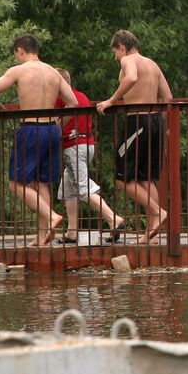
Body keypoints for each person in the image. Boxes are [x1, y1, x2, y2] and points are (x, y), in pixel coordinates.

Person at [0, 35, 77, 246]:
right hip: (51, 131)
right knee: (41, 182)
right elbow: (74, 103)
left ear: (20, 51)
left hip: (31, 129)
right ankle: (43, 235)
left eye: (16, 55)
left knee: (16, 184)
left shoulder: (19, 71)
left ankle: (52, 216)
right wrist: (57, 125)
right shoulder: (53, 72)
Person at [97, 30, 173, 243]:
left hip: (138, 121)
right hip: (156, 120)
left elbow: (131, 77)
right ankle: (152, 234)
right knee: (146, 178)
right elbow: (168, 97)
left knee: (122, 178)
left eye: (115, 52)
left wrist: (111, 101)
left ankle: (157, 212)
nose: (116, 58)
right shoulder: (152, 64)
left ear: (122, 46)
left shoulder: (128, 60)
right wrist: (161, 125)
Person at [55, 70, 126, 245]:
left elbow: (55, 122)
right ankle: (72, 232)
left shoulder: (60, 98)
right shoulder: (81, 96)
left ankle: (113, 218)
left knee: (82, 186)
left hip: (73, 145)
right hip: (87, 144)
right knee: (68, 186)